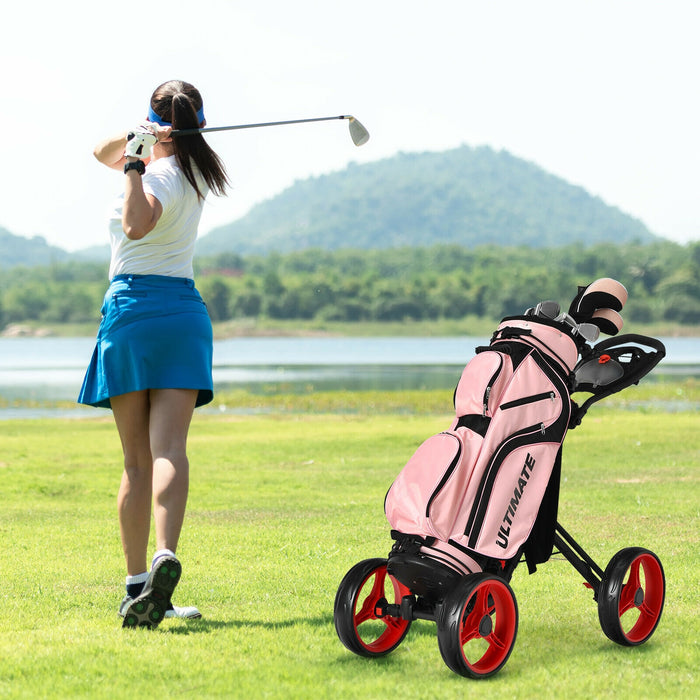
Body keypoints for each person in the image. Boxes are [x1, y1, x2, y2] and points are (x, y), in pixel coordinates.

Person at [78, 79, 229, 629]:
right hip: (183, 317)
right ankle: (165, 558)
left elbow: (135, 224)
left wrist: (135, 163)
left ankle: (138, 583)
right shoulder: (195, 173)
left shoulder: (158, 173)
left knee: (136, 462)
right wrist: (135, 139)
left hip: (134, 315)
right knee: (170, 451)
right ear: (199, 126)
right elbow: (100, 149)